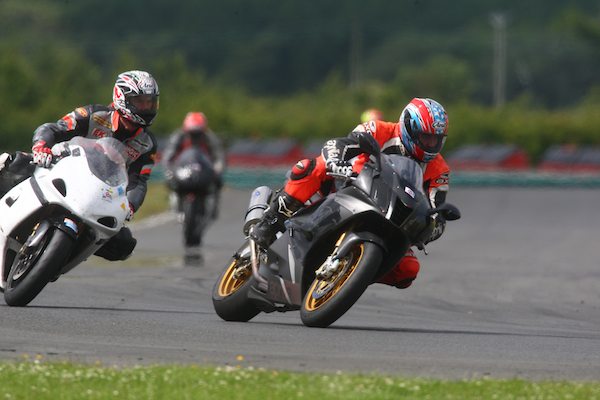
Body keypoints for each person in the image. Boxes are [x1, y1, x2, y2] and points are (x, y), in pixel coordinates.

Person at [250, 97, 449, 289]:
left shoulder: (439, 170)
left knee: (408, 269)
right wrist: (337, 162)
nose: (431, 144)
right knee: (311, 167)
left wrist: (429, 229)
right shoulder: (379, 129)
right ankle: (270, 222)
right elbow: (339, 144)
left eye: (436, 139)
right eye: (426, 137)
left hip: (391, 217)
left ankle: (350, 277)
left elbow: (436, 211)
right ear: (409, 127)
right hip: (351, 185)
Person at [0, 70, 160, 261]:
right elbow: (53, 128)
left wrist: (130, 206)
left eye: (150, 102)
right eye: (140, 101)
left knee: (124, 244)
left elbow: (139, 180)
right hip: (62, 169)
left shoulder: (147, 144)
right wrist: (42, 146)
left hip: (101, 193)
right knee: (13, 162)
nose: (146, 107)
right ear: (122, 97)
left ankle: (59, 257)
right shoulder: (94, 115)